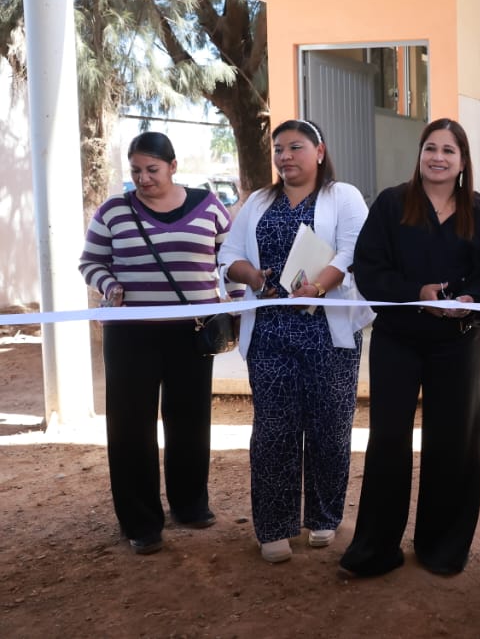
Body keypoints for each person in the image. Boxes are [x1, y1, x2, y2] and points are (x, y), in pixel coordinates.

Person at [339, 119, 480, 579]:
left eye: (449, 151)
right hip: (398, 341)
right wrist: (417, 293)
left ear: (463, 161)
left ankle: (442, 547)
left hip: (457, 343)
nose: (438, 157)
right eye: (431, 148)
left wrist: (469, 304)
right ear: (420, 155)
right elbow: (369, 270)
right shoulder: (392, 204)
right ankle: (375, 548)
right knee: (389, 441)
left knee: (453, 443)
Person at [222, 119, 374, 564]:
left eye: (295, 147)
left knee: (329, 428)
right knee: (273, 431)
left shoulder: (342, 196)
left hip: (328, 330)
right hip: (270, 332)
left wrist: (320, 286)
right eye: (278, 149)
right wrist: (251, 275)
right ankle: (274, 526)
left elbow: (353, 250)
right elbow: (228, 254)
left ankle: (324, 517)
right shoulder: (258, 201)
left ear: (320, 152)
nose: (285, 156)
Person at [79, 131, 233, 555]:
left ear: (173, 166)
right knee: (131, 428)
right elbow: (90, 262)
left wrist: (236, 301)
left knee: (190, 419)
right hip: (131, 334)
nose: (143, 179)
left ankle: (190, 505)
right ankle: (140, 522)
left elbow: (231, 258)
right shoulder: (113, 211)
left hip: (191, 332)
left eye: (152, 170)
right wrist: (109, 285)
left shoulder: (209, 205)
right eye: (135, 171)